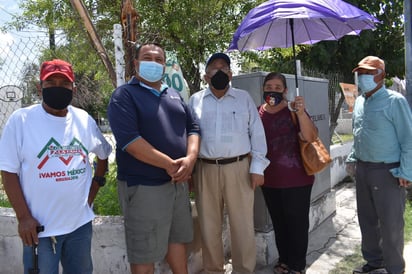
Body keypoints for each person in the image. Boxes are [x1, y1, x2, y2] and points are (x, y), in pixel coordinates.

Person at [0, 59, 112, 274]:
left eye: (64, 83)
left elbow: (103, 154)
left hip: (80, 226)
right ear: (39, 87)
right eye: (51, 83)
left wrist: (95, 187)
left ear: (74, 88)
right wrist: (23, 217)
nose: (58, 88)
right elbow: (8, 171)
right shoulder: (21, 121)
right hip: (39, 230)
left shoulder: (83, 120)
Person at [107, 43, 200, 274]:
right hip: (144, 186)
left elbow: (194, 127)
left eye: (159, 60)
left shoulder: (173, 94)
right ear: (136, 64)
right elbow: (131, 142)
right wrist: (171, 165)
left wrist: (190, 158)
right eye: (147, 58)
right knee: (144, 252)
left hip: (176, 184)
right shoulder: (124, 96)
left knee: (177, 239)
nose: (154, 63)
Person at [188, 52, 269, 274]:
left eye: (224, 67)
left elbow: (257, 135)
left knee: (242, 225)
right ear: (206, 76)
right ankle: (213, 269)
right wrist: (190, 172)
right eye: (214, 68)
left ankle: (244, 270)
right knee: (208, 225)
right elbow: (188, 136)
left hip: (239, 169)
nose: (219, 71)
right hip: (205, 169)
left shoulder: (244, 99)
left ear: (231, 74)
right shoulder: (195, 100)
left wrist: (257, 168)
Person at [346, 56, 412, 274]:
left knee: (391, 223)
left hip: (388, 171)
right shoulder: (360, 101)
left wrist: (406, 171)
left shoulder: (395, 101)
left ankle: (394, 268)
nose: (363, 77)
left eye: (368, 73)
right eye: (361, 73)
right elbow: (359, 134)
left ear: (381, 75)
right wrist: (353, 158)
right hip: (363, 169)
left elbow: (408, 139)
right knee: (367, 220)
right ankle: (374, 263)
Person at [257, 72, 318, 274]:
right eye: (269, 86)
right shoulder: (258, 113)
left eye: (277, 87)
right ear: (263, 88)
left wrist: (301, 113)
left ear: (285, 90)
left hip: (297, 179)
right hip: (269, 180)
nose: (272, 90)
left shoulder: (293, 109)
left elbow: (310, 136)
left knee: (297, 224)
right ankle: (284, 261)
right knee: (279, 223)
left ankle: (297, 266)